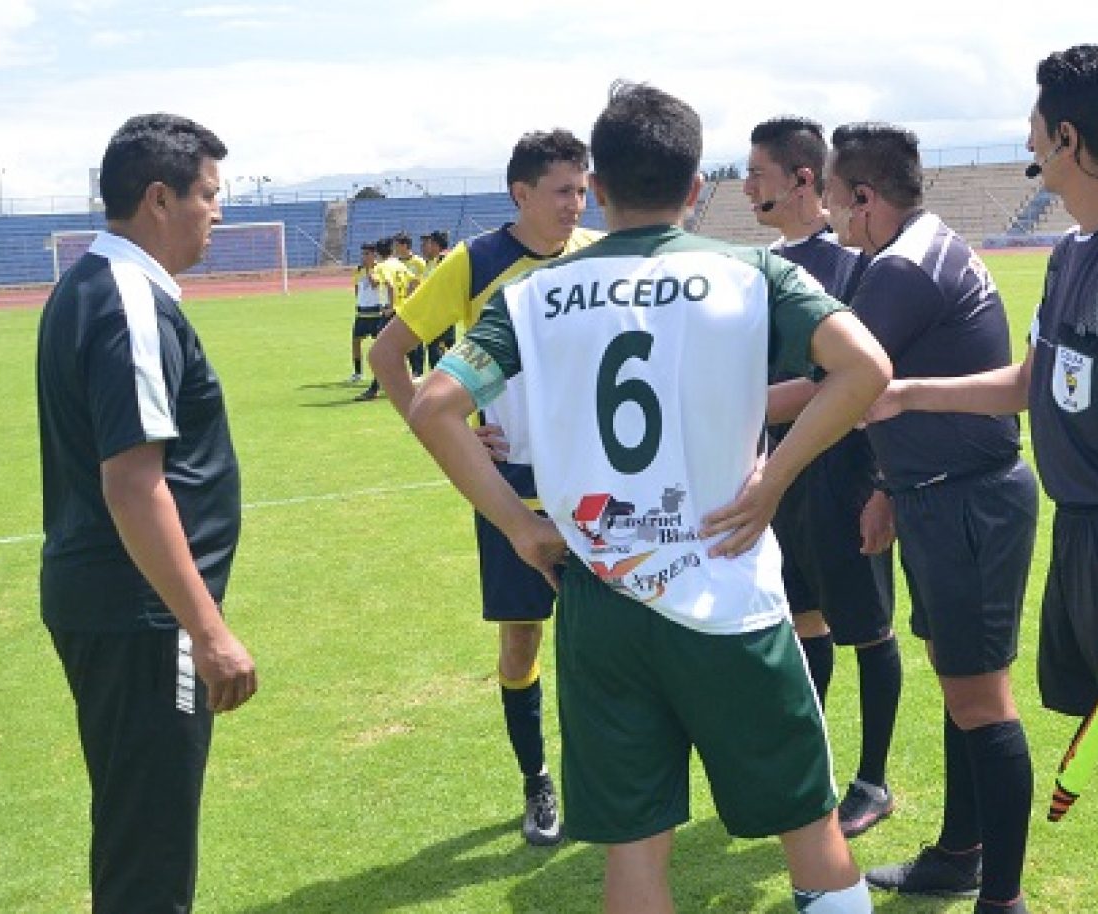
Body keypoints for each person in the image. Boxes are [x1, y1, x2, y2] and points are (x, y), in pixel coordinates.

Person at [408, 81, 891, 913]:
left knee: (634, 860)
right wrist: (772, 482)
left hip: (603, 602)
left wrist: (520, 527)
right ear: (697, 186)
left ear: (596, 187)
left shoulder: (532, 296)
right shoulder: (750, 272)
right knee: (811, 836)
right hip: (728, 593)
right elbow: (866, 368)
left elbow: (434, 405)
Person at [869, 45, 1098, 913]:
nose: (1025, 134)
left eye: (1035, 122)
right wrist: (907, 392)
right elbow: (1032, 382)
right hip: (1086, 534)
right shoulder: (1077, 251)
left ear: (1064, 138)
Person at [35, 112, 260, 913]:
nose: (219, 212)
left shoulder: (96, 286)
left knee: (137, 833)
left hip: (119, 607)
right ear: (160, 199)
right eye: (208, 194)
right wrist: (206, 630)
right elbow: (132, 483)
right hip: (143, 616)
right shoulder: (127, 298)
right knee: (150, 857)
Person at [821, 123, 1039, 913]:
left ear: (868, 199)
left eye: (842, 206)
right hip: (946, 493)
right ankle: (960, 853)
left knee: (981, 697)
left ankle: (1000, 896)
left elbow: (842, 389)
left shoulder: (903, 268)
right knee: (963, 687)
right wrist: (888, 485)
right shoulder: (923, 244)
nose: (842, 224)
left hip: (967, 501)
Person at [366, 130, 602, 846]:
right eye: (561, 190)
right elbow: (388, 353)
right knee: (522, 644)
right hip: (515, 496)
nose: (576, 202)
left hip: (600, 489)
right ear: (520, 194)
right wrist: (449, 435)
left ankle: (604, 782)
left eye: (582, 188)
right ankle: (538, 783)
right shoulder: (477, 262)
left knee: (608, 645)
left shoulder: (599, 251)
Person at [743, 115, 902, 839]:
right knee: (803, 619)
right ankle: (814, 767)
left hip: (844, 475)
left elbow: (846, 381)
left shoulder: (855, 267)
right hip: (783, 478)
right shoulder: (755, 273)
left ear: (805, 180)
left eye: (758, 176)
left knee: (866, 628)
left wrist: (880, 488)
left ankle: (873, 780)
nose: (746, 188)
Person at [354, 238, 403, 401]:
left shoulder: (383, 266)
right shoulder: (399, 264)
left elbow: (388, 284)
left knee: (379, 351)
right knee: (396, 350)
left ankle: (376, 389)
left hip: (390, 312)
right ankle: (386, 386)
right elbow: (413, 282)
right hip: (403, 311)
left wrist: (390, 306)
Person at [347, 241, 390, 384]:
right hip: (362, 313)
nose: (364, 257)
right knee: (355, 342)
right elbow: (357, 289)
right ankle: (358, 372)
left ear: (374, 255)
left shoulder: (379, 269)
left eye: (367, 254)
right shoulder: (359, 270)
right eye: (363, 254)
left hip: (376, 313)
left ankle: (383, 374)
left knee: (380, 345)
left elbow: (374, 284)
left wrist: (369, 270)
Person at [390, 232, 431, 373]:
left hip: (415, 307)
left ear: (404, 245)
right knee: (399, 341)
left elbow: (421, 282)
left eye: (396, 245)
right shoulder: (394, 263)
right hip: (397, 307)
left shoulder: (418, 262)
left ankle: (417, 371)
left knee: (415, 340)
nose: (394, 248)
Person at [419, 230, 456, 364]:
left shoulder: (443, 260)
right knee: (441, 349)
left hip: (441, 314)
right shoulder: (431, 262)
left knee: (438, 351)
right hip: (434, 313)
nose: (424, 247)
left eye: (427, 244)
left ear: (435, 245)